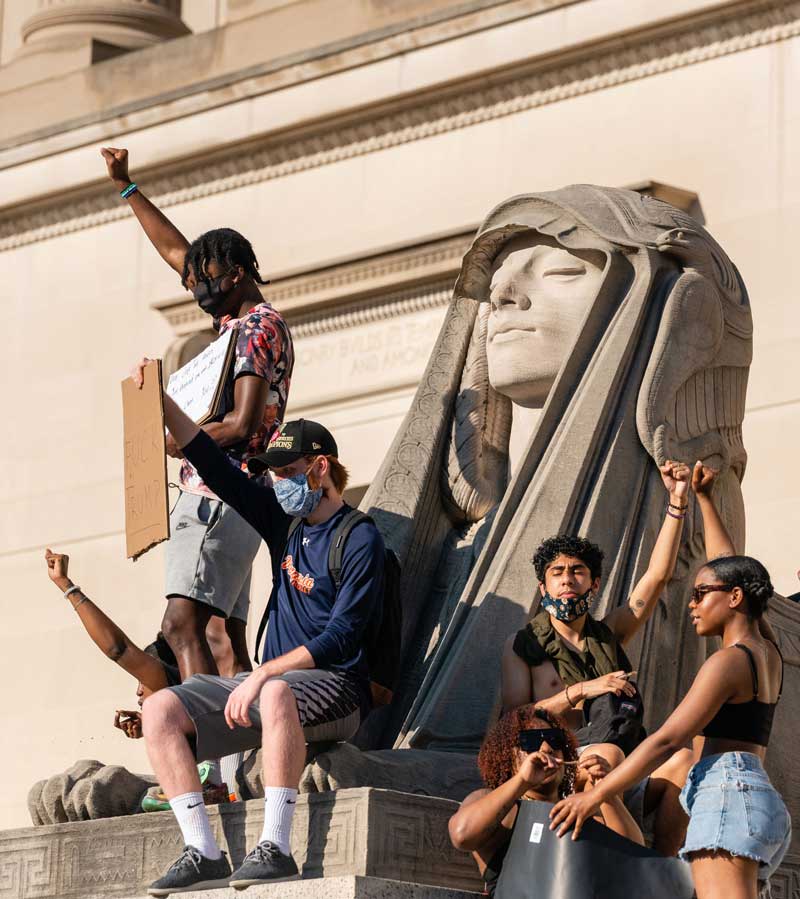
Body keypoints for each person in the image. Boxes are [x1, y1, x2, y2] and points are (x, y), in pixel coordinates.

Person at [130, 368, 385, 895]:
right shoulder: (283, 522)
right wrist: (163, 405)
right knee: (161, 710)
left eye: (288, 471)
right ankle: (202, 850)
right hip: (271, 690)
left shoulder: (360, 539)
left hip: (337, 690)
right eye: (273, 472)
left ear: (320, 470)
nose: (278, 482)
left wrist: (264, 671)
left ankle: (277, 846)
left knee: (270, 691)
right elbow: (213, 467)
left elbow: (343, 637)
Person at [549, 463, 791, 899]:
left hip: (727, 794)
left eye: (700, 594)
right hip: (753, 796)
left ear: (734, 598)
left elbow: (666, 740)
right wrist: (702, 499)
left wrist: (594, 795)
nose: (691, 605)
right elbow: (729, 568)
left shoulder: (727, 663)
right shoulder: (764, 648)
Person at [102, 146, 294, 683]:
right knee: (225, 637)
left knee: (180, 623)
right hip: (238, 493)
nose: (195, 289)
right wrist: (126, 187)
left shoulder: (255, 329)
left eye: (204, 281)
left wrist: (181, 441)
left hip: (216, 492)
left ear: (234, 275)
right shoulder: (241, 324)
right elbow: (175, 251)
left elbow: (243, 424)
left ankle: (207, 746)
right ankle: (242, 750)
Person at [43, 548, 234, 806]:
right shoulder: (201, 713)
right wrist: (152, 724)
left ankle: (204, 787)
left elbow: (118, 649)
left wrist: (66, 586)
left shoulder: (175, 684)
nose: (138, 692)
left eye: (142, 679)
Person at [448, 705, 642, 896]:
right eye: (531, 742)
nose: (546, 748)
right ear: (508, 756)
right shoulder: (496, 805)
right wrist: (522, 781)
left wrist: (605, 791)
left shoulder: (578, 810)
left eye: (554, 740)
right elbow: (462, 834)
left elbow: (636, 861)